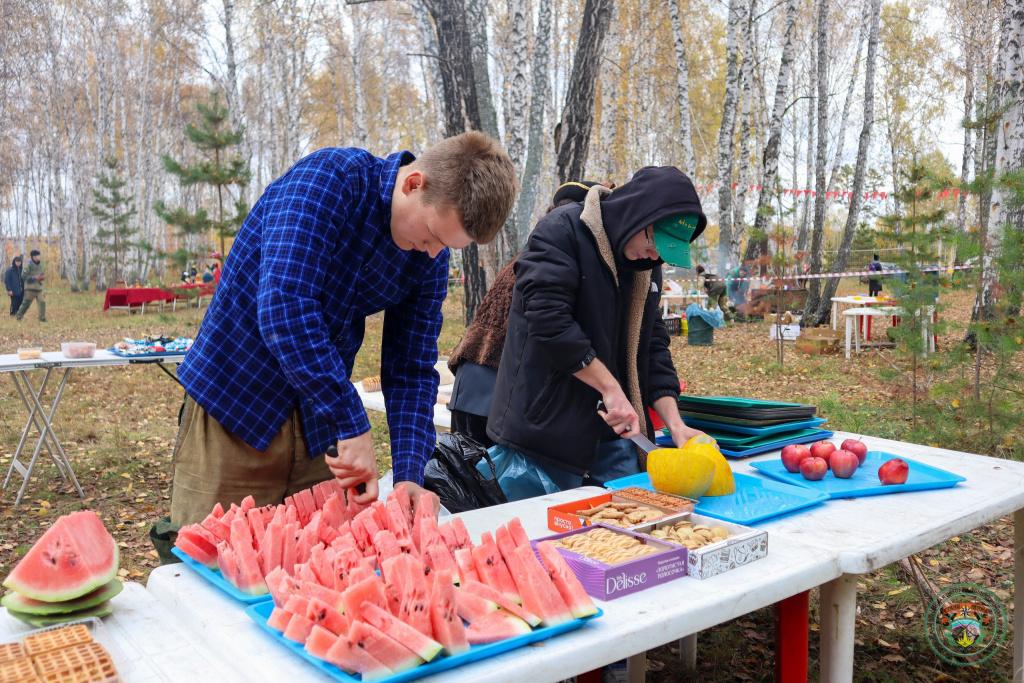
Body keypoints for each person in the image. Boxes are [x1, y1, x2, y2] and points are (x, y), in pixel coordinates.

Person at [168, 131, 517, 527]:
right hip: (236, 402)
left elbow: (411, 367)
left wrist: (409, 474)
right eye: (434, 235)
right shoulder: (327, 182)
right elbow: (285, 308)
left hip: (317, 418)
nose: (434, 253)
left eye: (448, 247)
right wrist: (350, 422)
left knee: (313, 553)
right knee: (214, 548)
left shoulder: (429, 255)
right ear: (413, 183)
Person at [486, 167, 709, 498]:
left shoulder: (647, 267)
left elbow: (652, 346)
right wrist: (610, 387)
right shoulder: (562, 231)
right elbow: (549, 322)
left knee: (623, 524)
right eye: (655, 244)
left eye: (665, 253)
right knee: (542, 527)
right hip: (544, 432)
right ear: (639, 215)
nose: (655, 257)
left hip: (613, 433)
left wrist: (676, 426)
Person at [447, 180, 602, 447]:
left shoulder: (538, 253)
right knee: (479, 471)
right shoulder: (552, 260)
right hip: (493, 387)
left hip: (477, 383)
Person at [15, 250, 45, 322]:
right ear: (34, 257)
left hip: (39, 288)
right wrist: (34, 278)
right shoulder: (28, 264)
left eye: (39, 255)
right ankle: (19, 316)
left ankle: (42, 318)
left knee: (42, 302)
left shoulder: (40, 264)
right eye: (38, 255)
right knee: (26, 303)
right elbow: (23, 276)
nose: (39, 257)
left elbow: (41, 273)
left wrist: (42, 277)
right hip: (30, 288)